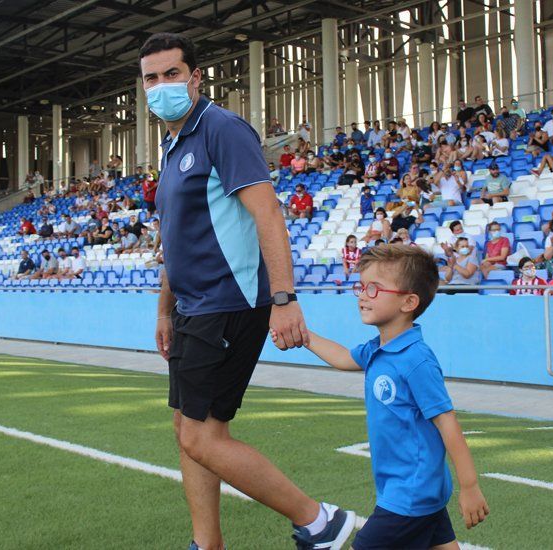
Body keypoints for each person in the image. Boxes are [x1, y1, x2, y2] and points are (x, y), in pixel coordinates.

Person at [140, 32, 354, 549]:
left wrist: (284, 299)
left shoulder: (222, 130)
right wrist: (165, 310)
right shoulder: (171, 148)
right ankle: (207, 544)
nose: (162, 85)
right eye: (151, 78)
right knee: (186, 429)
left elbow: (269, 214)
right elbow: (175, 239)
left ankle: (319, 522)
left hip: (229, 302)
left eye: (172, 74)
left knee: (201, 435)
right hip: (193, 307)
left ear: (195, 77)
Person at [292, 245, 489, 549]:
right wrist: (303, 336)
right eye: (361, 286)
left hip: (410, 491)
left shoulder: (416, 359)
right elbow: (345, 357)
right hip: (415, 489)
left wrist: (470, 486)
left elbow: (447, 422)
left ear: (409, 302)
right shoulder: (377, 348)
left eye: (374, 288)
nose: (362, 295)